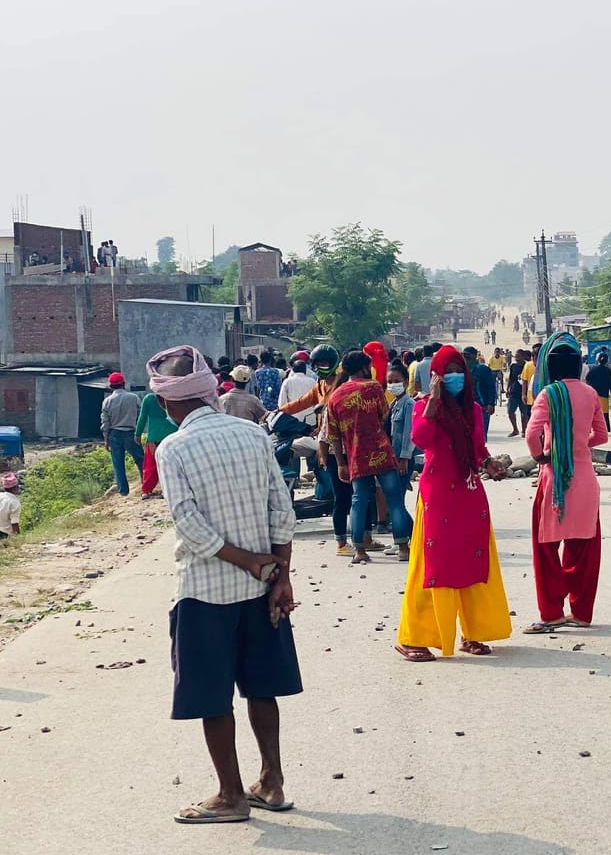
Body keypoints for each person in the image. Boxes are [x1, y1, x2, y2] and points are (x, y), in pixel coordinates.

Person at [144, 346, 300, 824]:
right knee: (261, 687)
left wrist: (249, 562)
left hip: (205, 592)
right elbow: (282, 507)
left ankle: (231, 795)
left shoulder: (173, 448)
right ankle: (271, 782)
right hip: (262, 590)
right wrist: (280, 573)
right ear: (211, 391)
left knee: (213, 696)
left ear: (166, 403)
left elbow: (189, 525)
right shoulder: (253, 434)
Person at [396, 346, 512, 662]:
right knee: (433, 565)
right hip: (438, 495)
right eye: (447, 372)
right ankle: (413, 637)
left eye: (459, 371)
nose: (455, 377)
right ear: (435, 376)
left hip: (469, 490)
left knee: (474, 559)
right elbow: (421, 439)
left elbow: (477, 447)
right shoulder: (423, 406)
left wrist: (488, 463)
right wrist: (434, 401)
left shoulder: (472, 408)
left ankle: (473, 633)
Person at [521, 334, 608, 633]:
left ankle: (552, 613)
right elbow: (602, 435)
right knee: (583, 549)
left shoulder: (548, 394)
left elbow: (531, 435)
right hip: (584, 478)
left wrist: (543, 455)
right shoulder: (590, 393)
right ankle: (581, 613)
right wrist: (578, 445)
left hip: (554, 478)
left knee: (546, 547)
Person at [325, 351, 413, 564]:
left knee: (358, 502)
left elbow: (333, 435)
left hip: (356, 457)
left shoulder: (335, 396)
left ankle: (360, 551)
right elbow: (384, 416)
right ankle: (403, 548)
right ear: (364, 367)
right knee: (394, 500)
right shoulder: (373, 388)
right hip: (381, 453)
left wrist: (341, 464)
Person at [281, 344, 361, 555]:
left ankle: (358, 539)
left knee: (350, 496)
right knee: (344, 495)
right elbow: (300, 403)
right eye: (316, 365)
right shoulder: (319, 386)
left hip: (343, 446)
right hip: (327, 444)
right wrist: (275, 413)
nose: (319, 368)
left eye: (323, 364)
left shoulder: (341, 385)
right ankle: (347, 541)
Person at [102, 372, 144, 496]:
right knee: (141, 460)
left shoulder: (107, 401)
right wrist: (138, 431)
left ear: (111, 386)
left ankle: (123, 491)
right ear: (123, 384)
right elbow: (140, 415)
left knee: (118, 463)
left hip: (114, 434)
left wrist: (106, 439)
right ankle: (146, 486)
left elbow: (105, 422)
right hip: (131, 433)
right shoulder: (134, 398)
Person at [135, 390, 177, 499]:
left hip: (154, 437)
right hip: (172, 435)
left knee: (150, 465)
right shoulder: (173, 395)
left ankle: (146, 490)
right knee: (170, 464)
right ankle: (167, 490)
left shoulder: (149, 399)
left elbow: (142, 417)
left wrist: (138, 434)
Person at [387, 361, 416, 492]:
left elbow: (409, 433)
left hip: (402, 459)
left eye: (396, 381)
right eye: (390, 382)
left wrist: (404, 458)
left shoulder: (409, 404)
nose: (393, 384)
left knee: (397, 497)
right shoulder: (393, 404)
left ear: (405, 382)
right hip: (392, 458)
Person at [463, 346, 498, 435]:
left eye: (468, 355)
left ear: (475, 356)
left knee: (481, 433)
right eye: (464, 355)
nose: (466, 358)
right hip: (466, 406)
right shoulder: (461, 370)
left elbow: (491, 387)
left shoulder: (483, 369)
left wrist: (491, 403)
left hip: (482, 406)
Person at [584, 350, 611, 433]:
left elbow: (587, 379)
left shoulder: (593, 369)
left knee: (593, 412)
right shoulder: (608, 371)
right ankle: (605, 428)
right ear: (607, 360)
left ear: (598, 360)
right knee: (604, 413)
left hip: (594, 395)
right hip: (604, 395)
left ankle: (591, 428)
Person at [506, 349, 530, 437]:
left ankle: (524, 430)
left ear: (523, 357)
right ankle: (515, 429)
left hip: (524, 393)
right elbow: (511, 378)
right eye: (515, 356)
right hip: (513, 392)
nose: (516, 358)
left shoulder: (527, 366)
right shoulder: (513, 366)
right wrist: (508, 388)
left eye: (518, 356)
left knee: (524, 413)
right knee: (510, 411)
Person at [0, 472, 20, 539]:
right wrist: (18, 538)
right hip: (3, 534)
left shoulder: (1, 496)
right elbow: (14, 523)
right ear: (15, 488)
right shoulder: (14, 502)